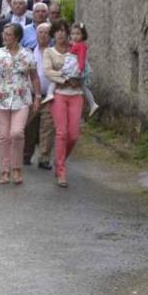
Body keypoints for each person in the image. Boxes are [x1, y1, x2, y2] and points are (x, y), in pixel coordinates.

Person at [0, 23, 41, 185]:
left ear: (16, 37)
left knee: (17, 133)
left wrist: (37, 97)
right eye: (4, 33)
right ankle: (5, 170)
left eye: (8, 34)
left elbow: (34, 77)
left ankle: (17, 168)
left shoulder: (27, 54)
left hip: (21, 99)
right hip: (0, 98)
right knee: (3, 136)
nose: (4, 36)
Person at [43, 20, 83, 187]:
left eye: (63, 30)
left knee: (73, 134)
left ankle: (60, 160)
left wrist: (78, 78)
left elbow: (85, 67)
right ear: (53, 34)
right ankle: (61, 170)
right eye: (57, 31)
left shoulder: (77, 47)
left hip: (76, 94)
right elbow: (48, 72)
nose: (60, 34)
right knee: (62, 132)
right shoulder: (49, 52)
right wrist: (65, 79)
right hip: (59, 94)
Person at [23, 22, 55, 170]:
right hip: (31, 95)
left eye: (46, 33)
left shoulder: (55, 53)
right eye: (40, 32)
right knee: (29, 126)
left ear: (51, 35)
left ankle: (44, 158)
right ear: (36, 35)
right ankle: (26, 155)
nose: (43, 35)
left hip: (49, 96)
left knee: (47, 128)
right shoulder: (28, 53)